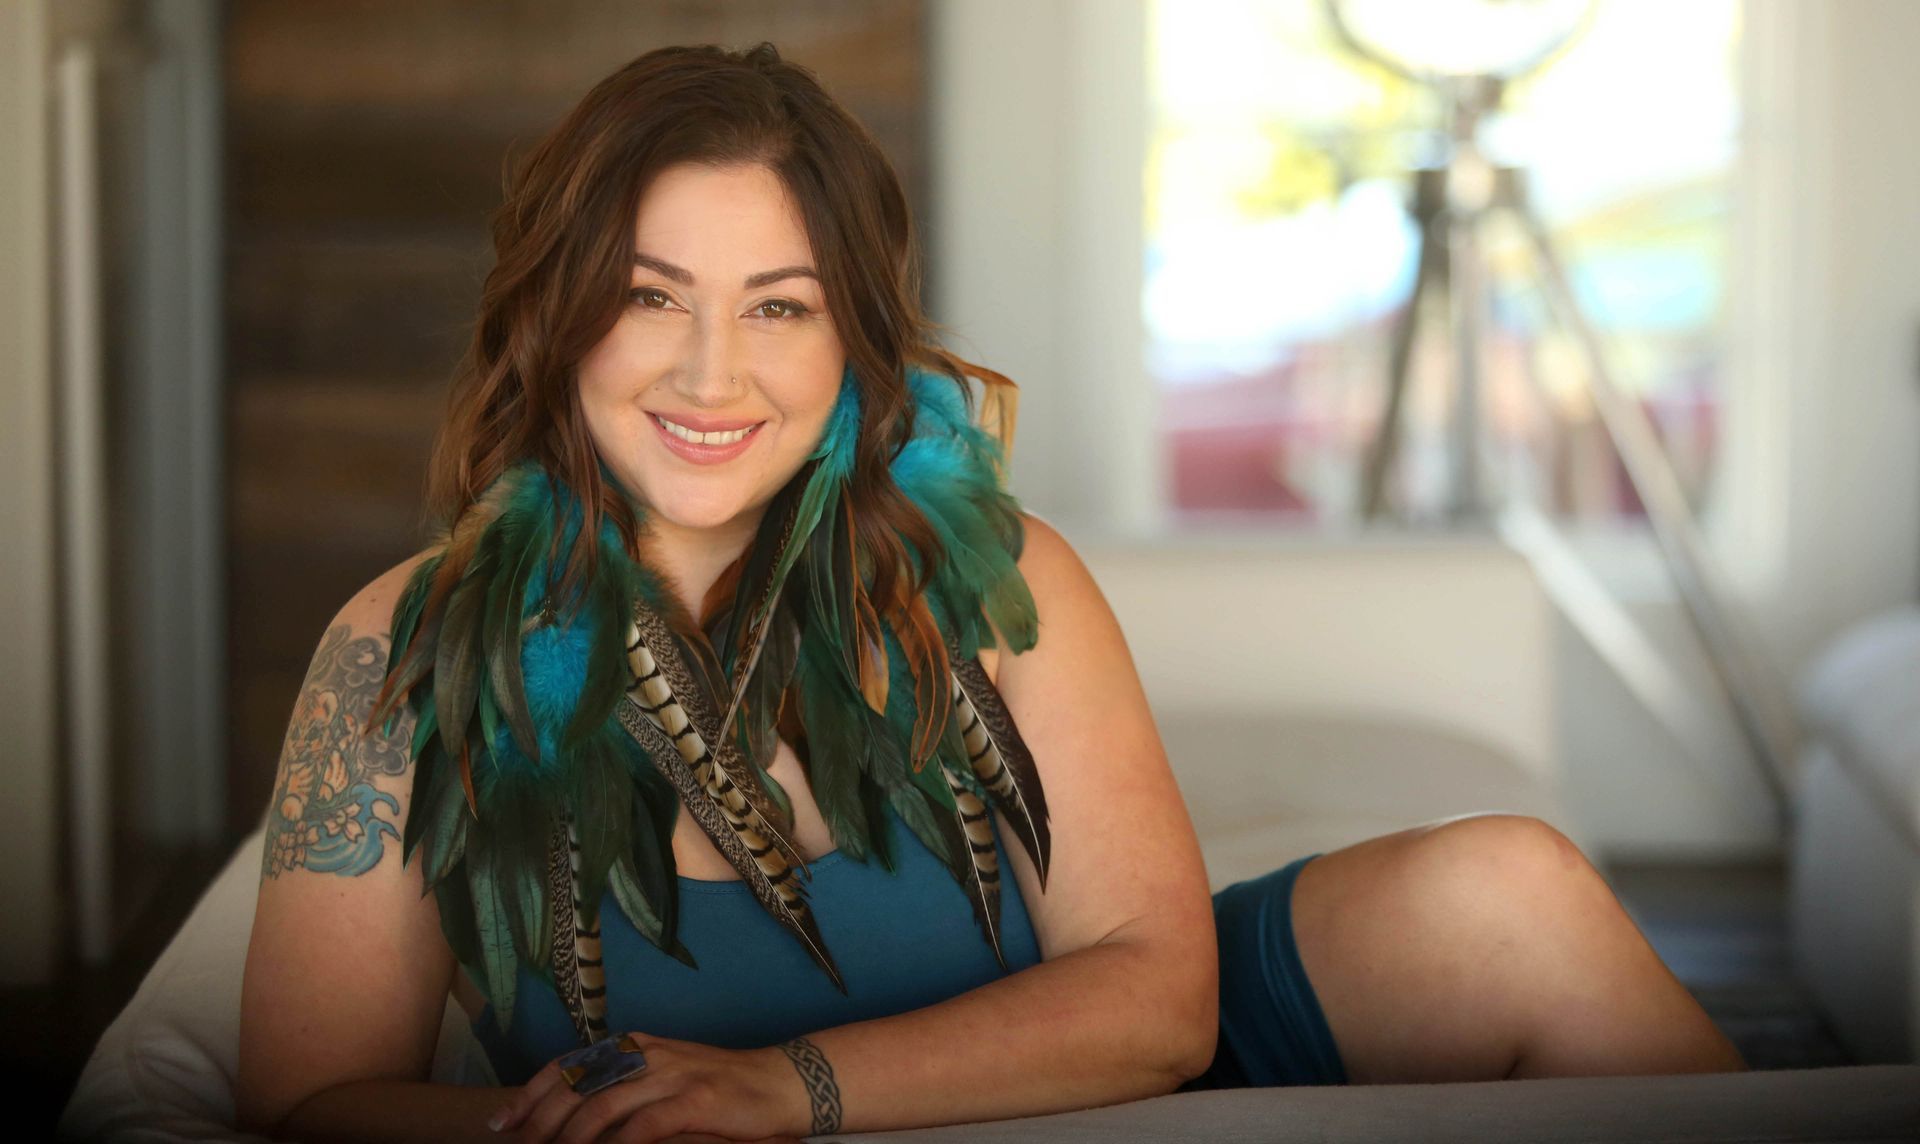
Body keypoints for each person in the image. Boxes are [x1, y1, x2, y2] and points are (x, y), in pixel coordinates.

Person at [235, 42, 1746, 1144]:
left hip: (1119, 1095)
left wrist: (783, 1089)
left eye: (781, 306)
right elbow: (308, 1097)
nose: (712, 372)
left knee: (1517, 892)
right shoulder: (403, 652)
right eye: (649, 298)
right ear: (556, 318)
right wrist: (602, 1126)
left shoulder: (995, 581)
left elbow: (1162, 1000)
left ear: (852, 348)